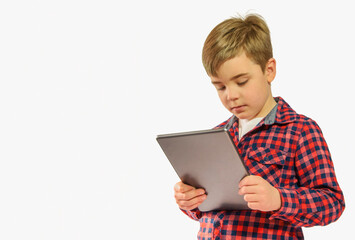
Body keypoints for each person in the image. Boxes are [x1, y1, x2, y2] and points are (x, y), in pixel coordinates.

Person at [173, 14, 345, 239]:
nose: (231, 95)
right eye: (220, 87)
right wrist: (190, 202)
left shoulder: (300, 131)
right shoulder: (215, 136)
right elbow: (205, 211)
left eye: (241, 82)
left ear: (269, 70)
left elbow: (332, 204)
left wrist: (279, 200)